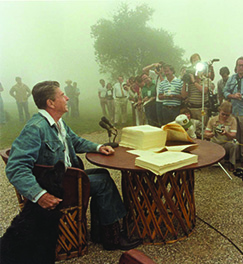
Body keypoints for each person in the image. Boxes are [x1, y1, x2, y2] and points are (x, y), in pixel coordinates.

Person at [5, 80, 141, 250]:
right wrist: (40, 195)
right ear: (51, 103)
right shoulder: (36, 128)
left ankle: (100, 232)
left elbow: (75, 141)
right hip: (58, 188)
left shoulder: (58, 123)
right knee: (103, 183)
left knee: (103, 174)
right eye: (62, 95)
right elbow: (15, 167)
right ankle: (112, 237)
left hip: (68, 179)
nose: (67, 98)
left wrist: (99, 147)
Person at [204, 101, 238, 171]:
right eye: (223, 114)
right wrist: (211, 134)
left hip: (226, 143)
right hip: (215, 143)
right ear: (219, 110)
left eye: (227, 115)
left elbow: (233, 135)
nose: (224, 116)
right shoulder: (212, 119)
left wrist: (226, 133)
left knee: (235, 144)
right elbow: (206, 133)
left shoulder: (233, 120)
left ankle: (232, 163)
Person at [142, 62, 165, 126]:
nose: (159, 69)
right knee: (159, 121)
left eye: (160, 67)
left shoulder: (167, 75)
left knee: (165, 121)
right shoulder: (156, 75)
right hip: (158, 101)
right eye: (158, 67)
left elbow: (164, 83)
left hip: (166, 100)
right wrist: (153, 65)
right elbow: (144, 70)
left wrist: (160, 74)